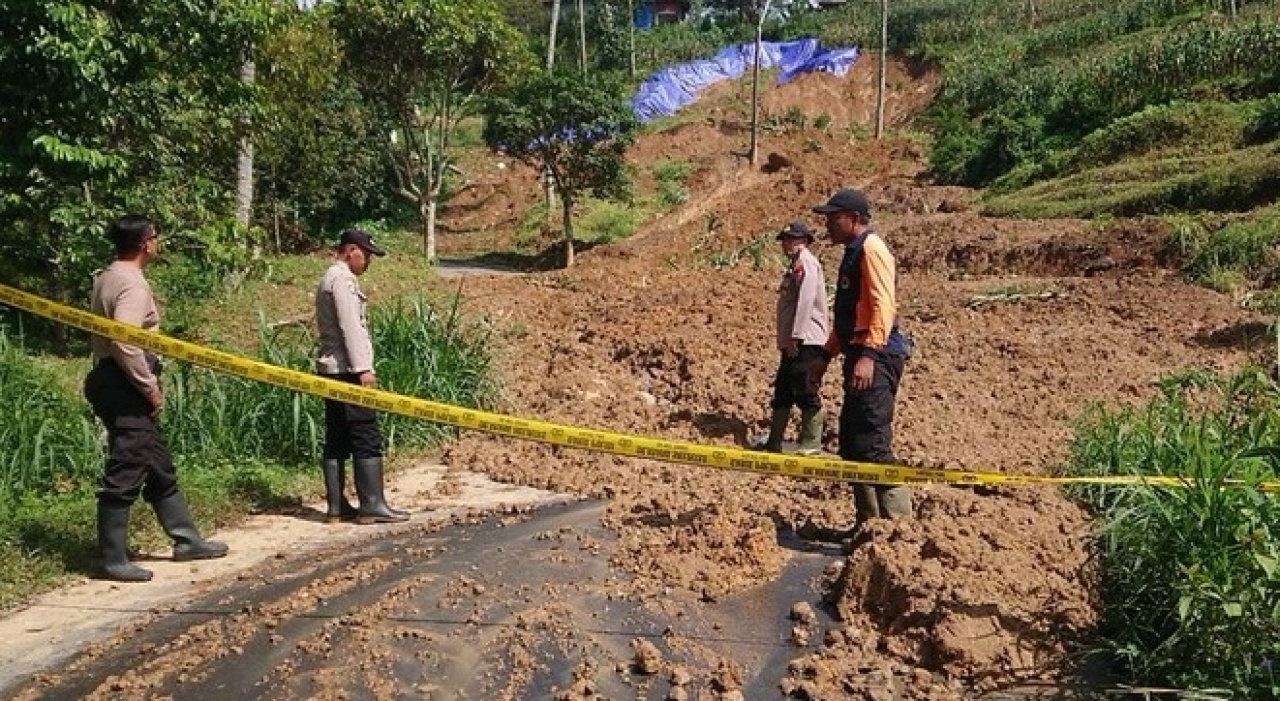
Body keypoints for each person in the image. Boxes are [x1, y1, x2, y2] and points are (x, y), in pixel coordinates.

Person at [84, 215, 228, 583]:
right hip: (124, 382)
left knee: (156, 462)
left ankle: (186, 539)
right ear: (146, 243)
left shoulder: (106, 275)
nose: (157, 243)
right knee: (129, 461)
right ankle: (111, 558)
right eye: (156, 238)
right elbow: (124, 340)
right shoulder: (132, 284)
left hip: (108, 377)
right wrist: (148, 385)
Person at [812, 188, 914, 526]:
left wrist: (869, 354)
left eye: (833, 217)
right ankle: (868, 526)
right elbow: (850, 315)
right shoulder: (852, 252)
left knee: (873, 442)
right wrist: (826, 355)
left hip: (878, 355)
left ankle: (899, 528)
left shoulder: (872, 249)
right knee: (854, 443)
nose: (827, 223)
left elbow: (883, 306)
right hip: (859, 351)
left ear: (853, 219)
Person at [314, 228, 407, 524]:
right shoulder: (342, 280)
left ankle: (336, 507)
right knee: (365, 432)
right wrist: (364, 368)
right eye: (365, 255)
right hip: (348, 370)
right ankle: (372, 504)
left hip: (331, 369)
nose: (367, 261)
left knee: (337, 435)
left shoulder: (328, 276)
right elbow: (350, 326)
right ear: (351, 250)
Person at [760, 220, 829, 454]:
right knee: (783, 388)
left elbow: (806, 301)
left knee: (804, 385)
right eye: (785, 240)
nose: (786, 244)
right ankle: (775, 440)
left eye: (791, 239)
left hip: (806, 340)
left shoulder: (806, 264)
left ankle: (812, 442)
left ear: (804, 241)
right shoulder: (796, 265)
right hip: (796, 339)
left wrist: (796, 337)